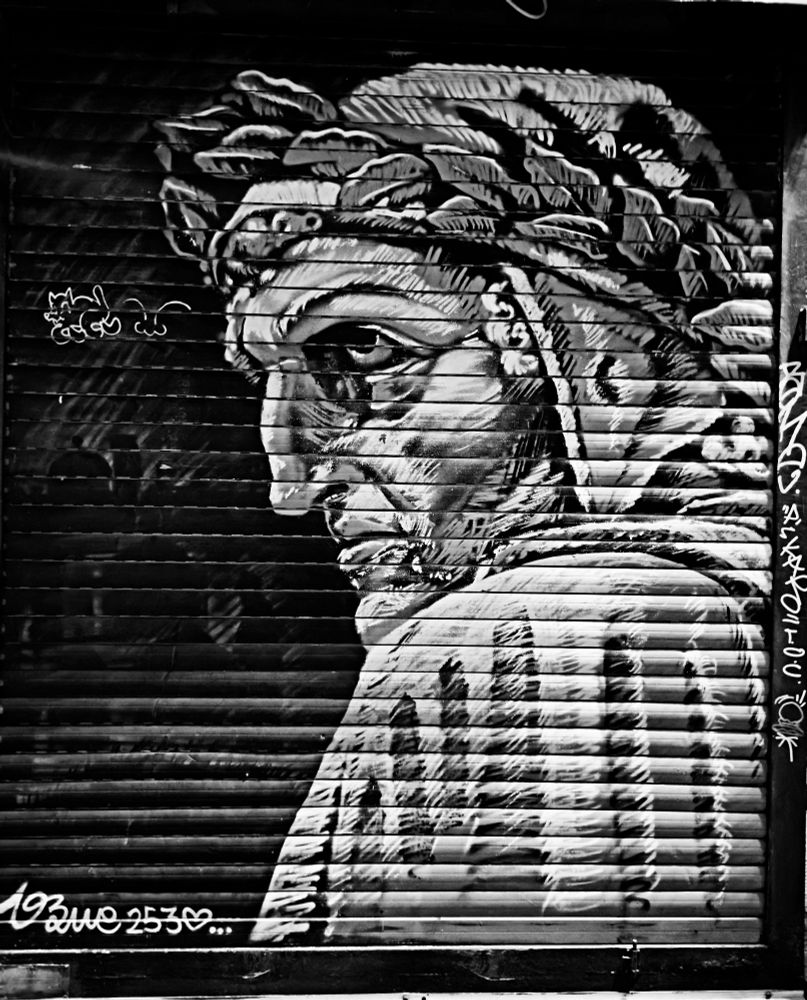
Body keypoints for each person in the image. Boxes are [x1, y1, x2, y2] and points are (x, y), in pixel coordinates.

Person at [157, 65, 772, 945]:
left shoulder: (534, 625)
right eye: (269, 380)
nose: (290, 483)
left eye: (360, 350)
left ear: (586, 354)